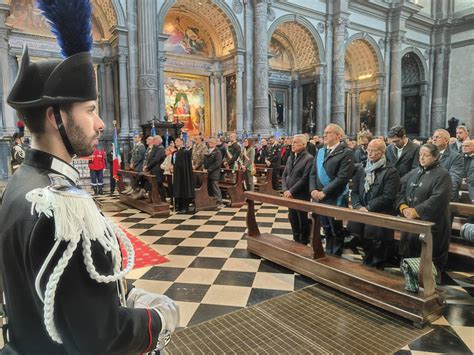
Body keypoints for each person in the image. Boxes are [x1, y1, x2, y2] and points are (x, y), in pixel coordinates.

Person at [0, 0, 179, 353]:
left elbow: (66, 297)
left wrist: (120, 295)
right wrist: (159, 317)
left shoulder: (21, 183)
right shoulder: (58, 207)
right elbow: (102, 338)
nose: (99, 124)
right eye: (91, 110)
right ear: (56, 117)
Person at [397, 144, 452, 273]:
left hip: (432, 224)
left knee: (426, 263)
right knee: (409, 258)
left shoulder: (443, 175)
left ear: (435, 157)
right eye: (420, 155)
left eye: (426, 155)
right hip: (410, 223)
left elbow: (438, 199)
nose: (422, 158)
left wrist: (416, 211)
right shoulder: (415, 172)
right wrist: (403, 207)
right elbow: (400, 191)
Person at [348, 139, 400, 268]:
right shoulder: (362, 168)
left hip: (379, 213)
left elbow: (389, 196)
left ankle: (375, 271)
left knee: (377, 247)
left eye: (373, 150)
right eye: (368, 150)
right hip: (362, 212)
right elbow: (355, 191)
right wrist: (358, 206)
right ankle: (367, 268)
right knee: (365, 244)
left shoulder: (390, 171)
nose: (369, 153)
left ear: (382, 152)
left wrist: (369, 207)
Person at [310, 124, 354, 256]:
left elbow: (342, 178)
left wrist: (324, 192)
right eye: (325, 132)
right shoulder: (320, 151)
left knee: (336, 228)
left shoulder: (346, 153)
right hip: (319, 196)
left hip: (335, 196)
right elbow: (313, 173)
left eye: (329, 132)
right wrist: (313, 190)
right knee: (326, 228)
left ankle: (335, 255)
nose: (325, 134)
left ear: (338, 136)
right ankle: (327, 253)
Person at [282, 134, 314, 245]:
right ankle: (295, 239)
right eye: (293, 142)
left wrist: (291, 191)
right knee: (292, 218)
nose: (292, 144)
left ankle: (303, 241)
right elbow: (285, 175)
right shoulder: (291, 157)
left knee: (302, 220)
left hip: (301, 194)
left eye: (296, 142)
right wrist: (285, 189)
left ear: (304, 144)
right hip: (289, 194)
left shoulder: (309, 158)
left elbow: (304, 179)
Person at [432, 129, 464, 202]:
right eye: (433, 137)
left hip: (446, 198)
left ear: (446, 141)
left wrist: (443, 196)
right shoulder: (429, 155)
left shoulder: (456, 157)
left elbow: (454, 179)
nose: (434, 139)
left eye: (437, 137)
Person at [172, 137, 195, 213]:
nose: (176, 142)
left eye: (177, 141)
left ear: (182, 142)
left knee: (183, 189)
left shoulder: (184, 152)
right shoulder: (176, 152)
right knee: (178, 189)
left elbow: (185, 165)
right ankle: (179, 206)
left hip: (183, 175)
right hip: (177, 174)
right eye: (175, 141)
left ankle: (184, 206)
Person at [144, 136, 167, 202]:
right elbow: (150, 158)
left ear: (158, 141)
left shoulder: (161, 148)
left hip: (158, 170)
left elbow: (156, 160)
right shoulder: (155, 147)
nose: (153, 141)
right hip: (153, 169)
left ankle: (163, 199)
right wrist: (148, 167)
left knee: (159, 185)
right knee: (152, 185)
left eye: (154, 140)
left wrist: (148, 167)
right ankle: (152, 198)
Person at [204, 137, 224, 208]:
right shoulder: (208, 151)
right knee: (209, 187)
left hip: (214, 173)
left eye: (211, 142)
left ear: (215, 144)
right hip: (208, 173)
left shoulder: (218, 152)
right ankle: (212, 201)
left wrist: (209, 169)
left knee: (215, 187)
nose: (210, 144)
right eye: (209, 142)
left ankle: (219, 202)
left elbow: (217, 164)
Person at [462, 139, 474, 210]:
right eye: (463, 146)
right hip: (461, 185)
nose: (464, 147)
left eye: (467, 146)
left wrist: (466, 179)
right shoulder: (459, 157)